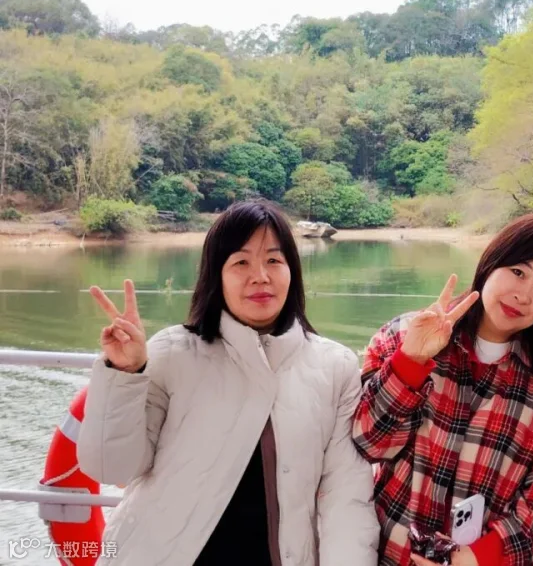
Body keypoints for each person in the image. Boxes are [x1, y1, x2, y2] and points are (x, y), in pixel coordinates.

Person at [77, 200, 379, 566]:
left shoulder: (334, 367)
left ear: (292, 271)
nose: (260, 276)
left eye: (273, 260)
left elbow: (346, 497)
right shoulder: (172, 354)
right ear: (215, 275)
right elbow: (111, 468)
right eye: (240, 262)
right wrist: (124, 373)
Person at [352, 214, 533, 566]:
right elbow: (369, 443)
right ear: (492, 261)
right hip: (396, 555)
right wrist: (411, 361)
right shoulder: (406, 335)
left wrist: (477, 558)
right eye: (518, 272)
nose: (523, 295)